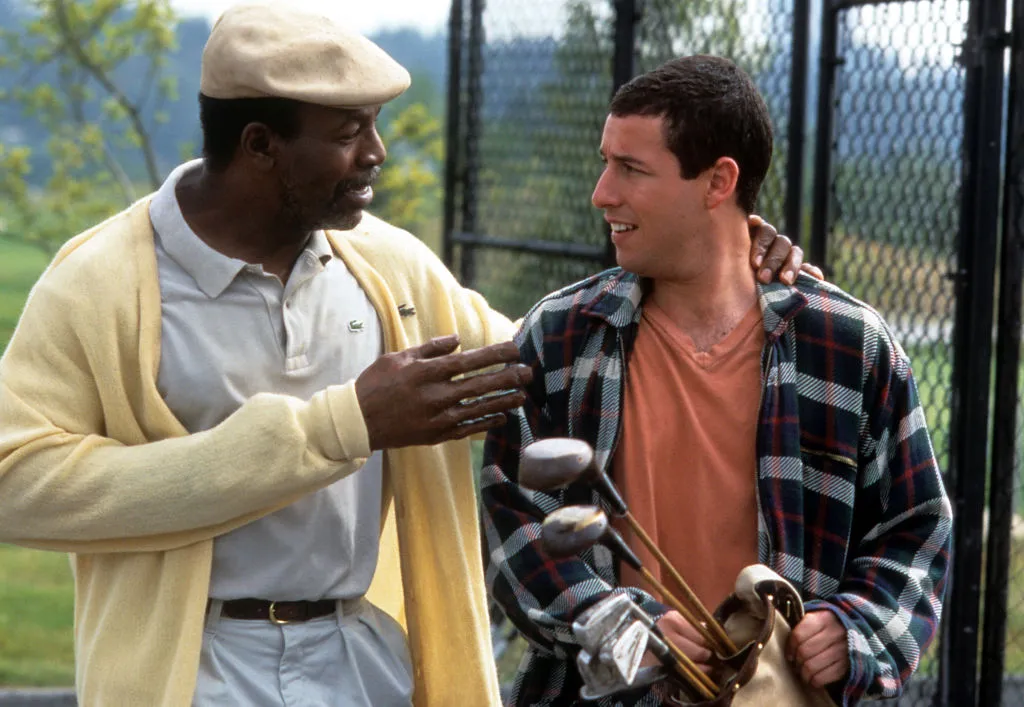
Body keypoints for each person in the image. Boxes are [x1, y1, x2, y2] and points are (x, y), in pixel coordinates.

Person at [0, 6, 810, 705]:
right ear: (259, 145)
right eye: (350, 133)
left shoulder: (386, 266)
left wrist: (719, 248)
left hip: (360, 659)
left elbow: (557, 363)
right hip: (191, 670)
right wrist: (342, 424)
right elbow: (16, 482)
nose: (377, 153)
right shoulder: (102, 283)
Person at [481, 55, 952, 707]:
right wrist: (611, 621)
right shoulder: (559, 336)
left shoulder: (848, 346)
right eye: (604, 160)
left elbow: (915, 526)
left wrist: (856, 632)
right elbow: (512, 514)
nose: (601, 192)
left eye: (631, 168)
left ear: (718, 181)